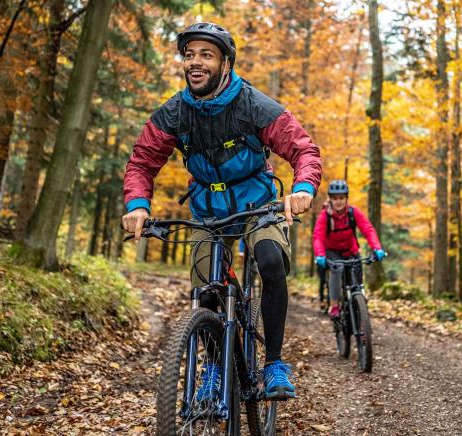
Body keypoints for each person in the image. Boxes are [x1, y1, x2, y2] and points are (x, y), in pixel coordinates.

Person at [121, 22, 320, 400]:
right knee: (205, 288)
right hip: (207, 209)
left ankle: (275, 363)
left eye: (206, 55)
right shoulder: (175, 112)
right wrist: (137, 207)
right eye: (189, 55)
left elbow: (303, 150)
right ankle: (213, 367)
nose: (195, 63)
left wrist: (303, 189)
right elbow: (142, 162)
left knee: (270, 259)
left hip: (256, 203)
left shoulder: (253, 105)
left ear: (225, 63)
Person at [312, 180, 385, 319]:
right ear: (330, 199)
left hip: (350, 251)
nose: (338, 201)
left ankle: (361, 314)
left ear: (346, 198)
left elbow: (368, 229)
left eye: (341, 198)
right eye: (334, 198)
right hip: (332, 252)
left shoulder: (353, 212)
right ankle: (334, 305)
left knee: (357, 282)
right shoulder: (325, 216)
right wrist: (320, 255)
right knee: (337, 268)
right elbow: (318, 237)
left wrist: (377, 248)